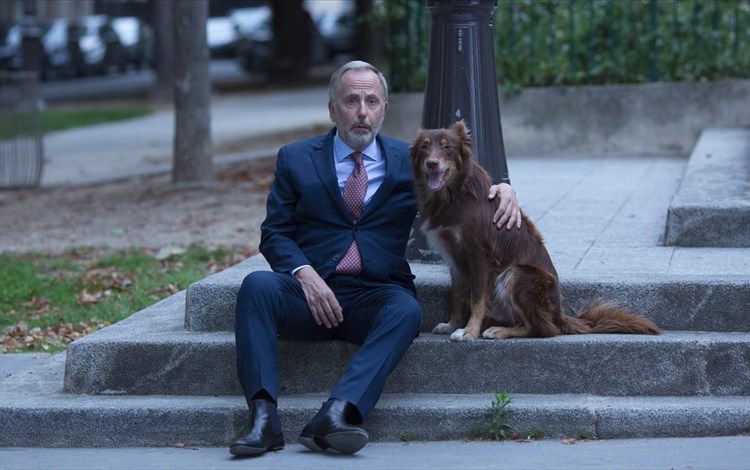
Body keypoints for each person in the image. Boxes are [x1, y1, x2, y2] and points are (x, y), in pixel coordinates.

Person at [230, 60, 521, 457]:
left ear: (384, 108)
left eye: (371, 101)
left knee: (406, 309)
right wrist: (305, 275)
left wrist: (503, 188)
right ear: (333, 109)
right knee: (256, 287)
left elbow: (465, 177)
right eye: (351, 100)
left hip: (372, 296)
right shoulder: (295, 158)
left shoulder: (412, 160)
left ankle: (336, 413)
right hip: (307, 296)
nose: (362, 112)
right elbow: (274, 233)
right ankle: (263, 419)